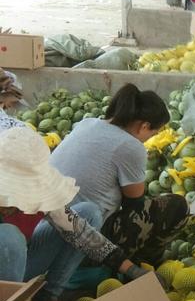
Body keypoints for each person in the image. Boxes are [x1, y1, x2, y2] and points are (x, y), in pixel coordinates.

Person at [0, 127, 151, 301]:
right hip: (6, 271)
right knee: (9, 238)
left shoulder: (39, 192)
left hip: (23, 265)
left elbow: (79, 232)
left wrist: (131, 270)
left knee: (87, 213)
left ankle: (46, 299)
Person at [50, 84, 188, 266]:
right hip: (88, 239)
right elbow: (135, 205)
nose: (150, 138)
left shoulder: (87, 123)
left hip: (49, 229)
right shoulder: (131, 146)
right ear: (144, 126)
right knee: (177, 207)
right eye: (153, 133)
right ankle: (141, 265)